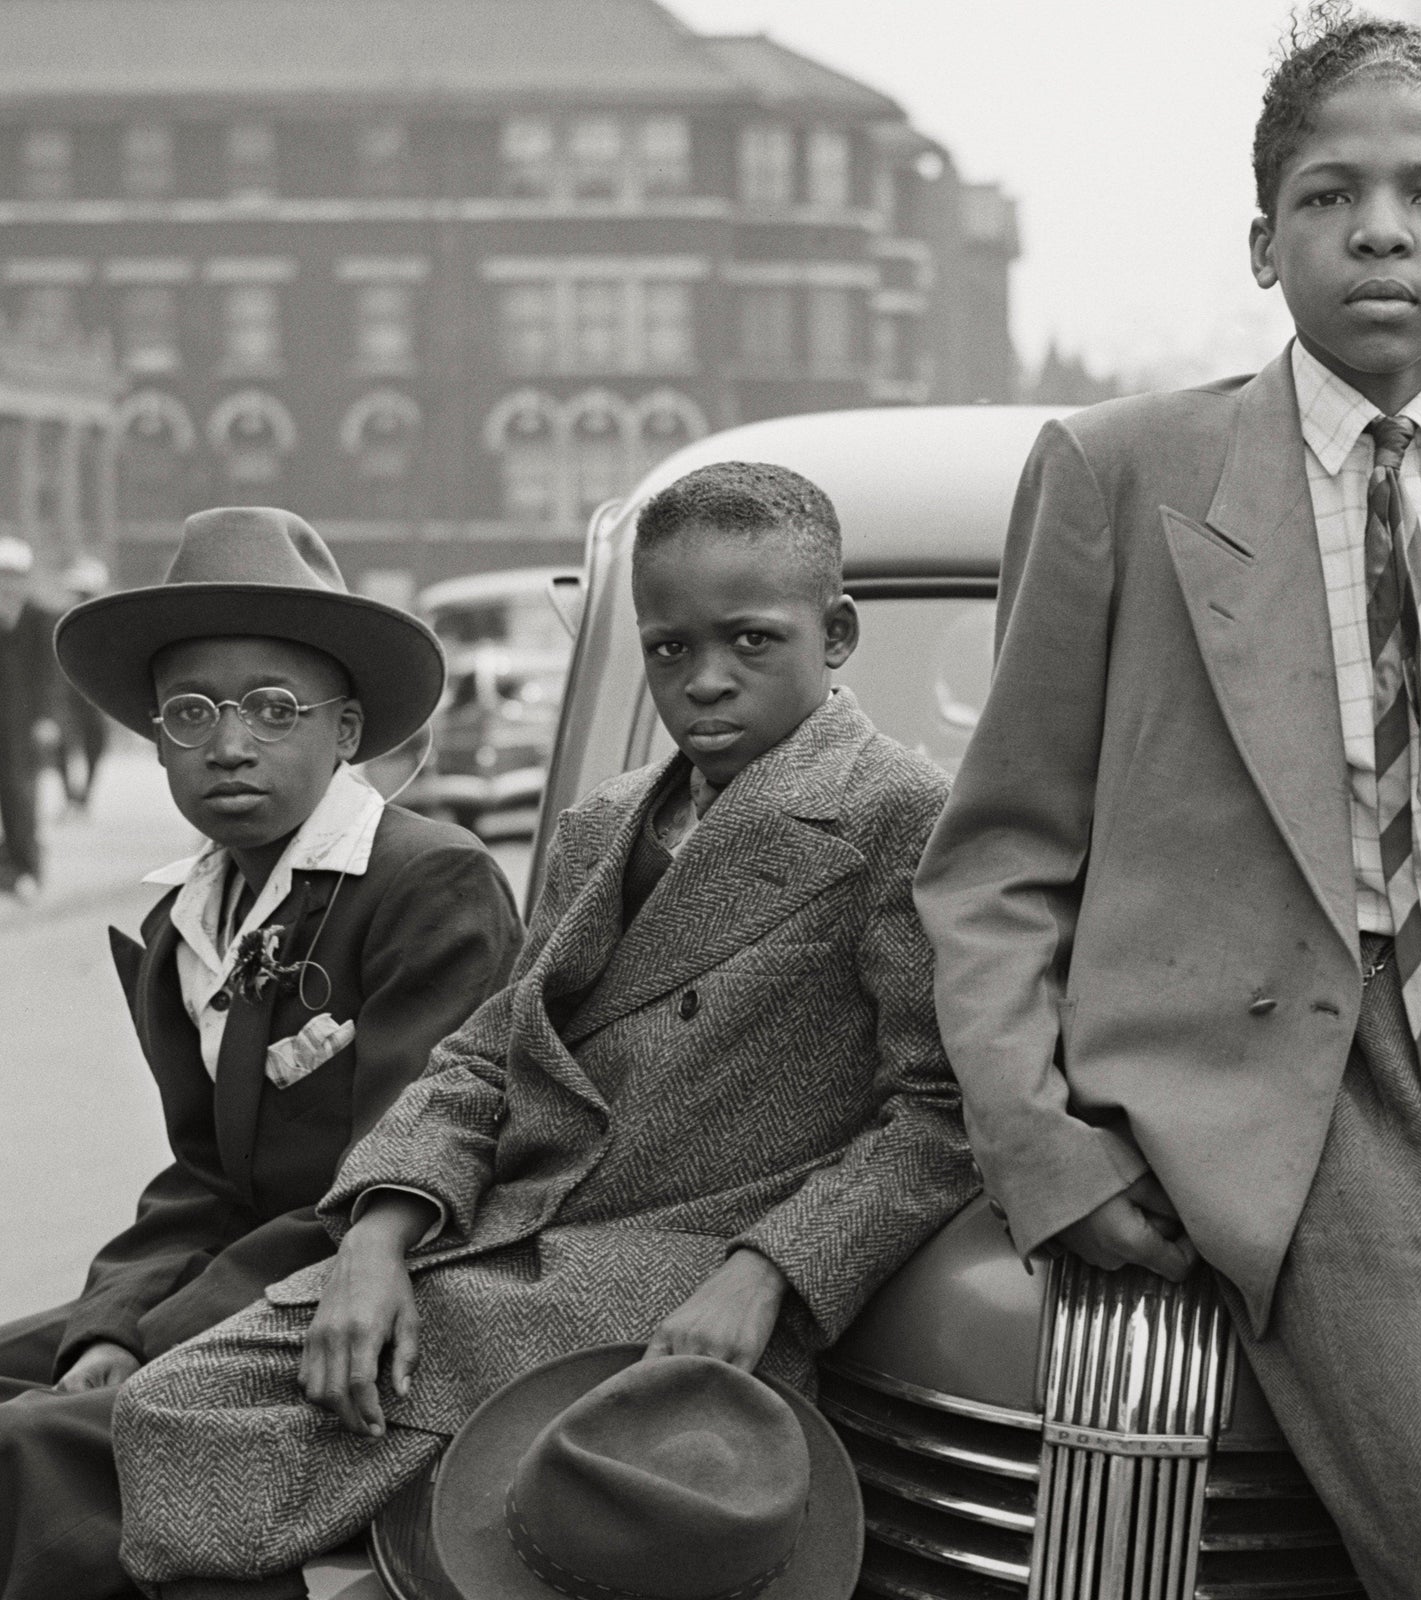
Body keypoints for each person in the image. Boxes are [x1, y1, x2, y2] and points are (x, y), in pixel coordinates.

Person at [915, 10, 1421, 1599]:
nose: (1380, 228)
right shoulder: (1117, 472)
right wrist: (1045, 1146)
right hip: (1304, 1076)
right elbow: (999, 854)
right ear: (1262, 237)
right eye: (1328, 194)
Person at [112, 462, 977, 1600]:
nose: (705, 682)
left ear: (838, 633)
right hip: (501, 1233)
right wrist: (373, 1238)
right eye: (668, 649)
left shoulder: (900, 818)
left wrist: (770, 1272)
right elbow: (484, 1054)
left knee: (300, 1470)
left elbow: (938, 1112)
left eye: (752, 642)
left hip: (684, 1272)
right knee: (163, 1410)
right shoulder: (604, 821)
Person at [0, 507, 522, 1600]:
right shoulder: (183, 922)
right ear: (155, 739)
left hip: (377, 1297)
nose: (229, 744)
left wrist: (153, 1336)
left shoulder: (427, 884)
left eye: (274, 709)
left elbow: (397, 1175)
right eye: (191, 712)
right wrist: (112, 1316)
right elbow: (205, 1175)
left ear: (346, 731)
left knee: (40, 1447)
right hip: (245, 1279)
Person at [0, 537, 55, 900]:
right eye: (3, 575)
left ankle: (27, 867)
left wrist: (47, 718)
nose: (8, 582)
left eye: (14, 575)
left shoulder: (39, 619)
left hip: (24, 723)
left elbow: (49, 675)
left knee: (21, 794)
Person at [51, 555, 112, 808]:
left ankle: (84, 793)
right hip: (66, 691)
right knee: (62, 744)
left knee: (94, 744)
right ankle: (69, 794)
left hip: (94, 692)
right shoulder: (59, 621)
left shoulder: (105, 622)